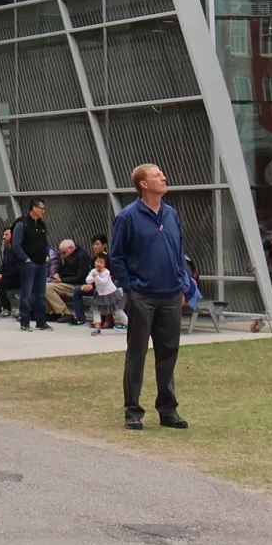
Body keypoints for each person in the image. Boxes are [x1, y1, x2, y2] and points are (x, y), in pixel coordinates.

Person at [110, 164, 201, 431]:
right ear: (143, 185)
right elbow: (116, 256)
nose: (164, 177)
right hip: (143, 297)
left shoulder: (172, 214)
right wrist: (131, 288)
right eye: (157, 175)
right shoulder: (127, 217)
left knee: (168, 354)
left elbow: (179, 251)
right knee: (137, 353)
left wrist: (184, 285)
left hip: (171, 294)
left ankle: (168, 410)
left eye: (163, 173)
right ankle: (133, 411)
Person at [10, 200, 52, 332]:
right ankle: (25, 321)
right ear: (34, 208)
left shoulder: (42, 224)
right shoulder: (22, 223)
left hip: (41, 262)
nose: (43, 211)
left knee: (41, 294)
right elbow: (15, 244)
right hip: (29, 264)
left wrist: (46, 255)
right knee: (27, 293)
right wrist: (25, 258)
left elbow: (45, 242)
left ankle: (41, 322)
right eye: (41, 208)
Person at [46, 239, 90, 324]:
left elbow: (81, 277)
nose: (64, 255)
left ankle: (65, 312)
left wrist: (62, 280)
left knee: (47, 288)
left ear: (71, 248)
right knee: (45, 285)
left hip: (76, 284)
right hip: (67, 282)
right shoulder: (70, 255)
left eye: (64, 252)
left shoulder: (82, 256)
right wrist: (58, 276)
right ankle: (53, 312)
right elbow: (66, 271)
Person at [85, 256, 124, 335]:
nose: (98, 264)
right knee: (96, 310)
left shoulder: (106, 272)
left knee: (119, 312)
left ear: (105, 264)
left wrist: (96, 276)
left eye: (101, 262)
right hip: (101, 295)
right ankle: (97, 329)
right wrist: (93, 276)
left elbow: (103, 282)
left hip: (111, 294)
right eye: (97, 261)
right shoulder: (93, 271)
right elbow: (88, 280)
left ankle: (130, 327)